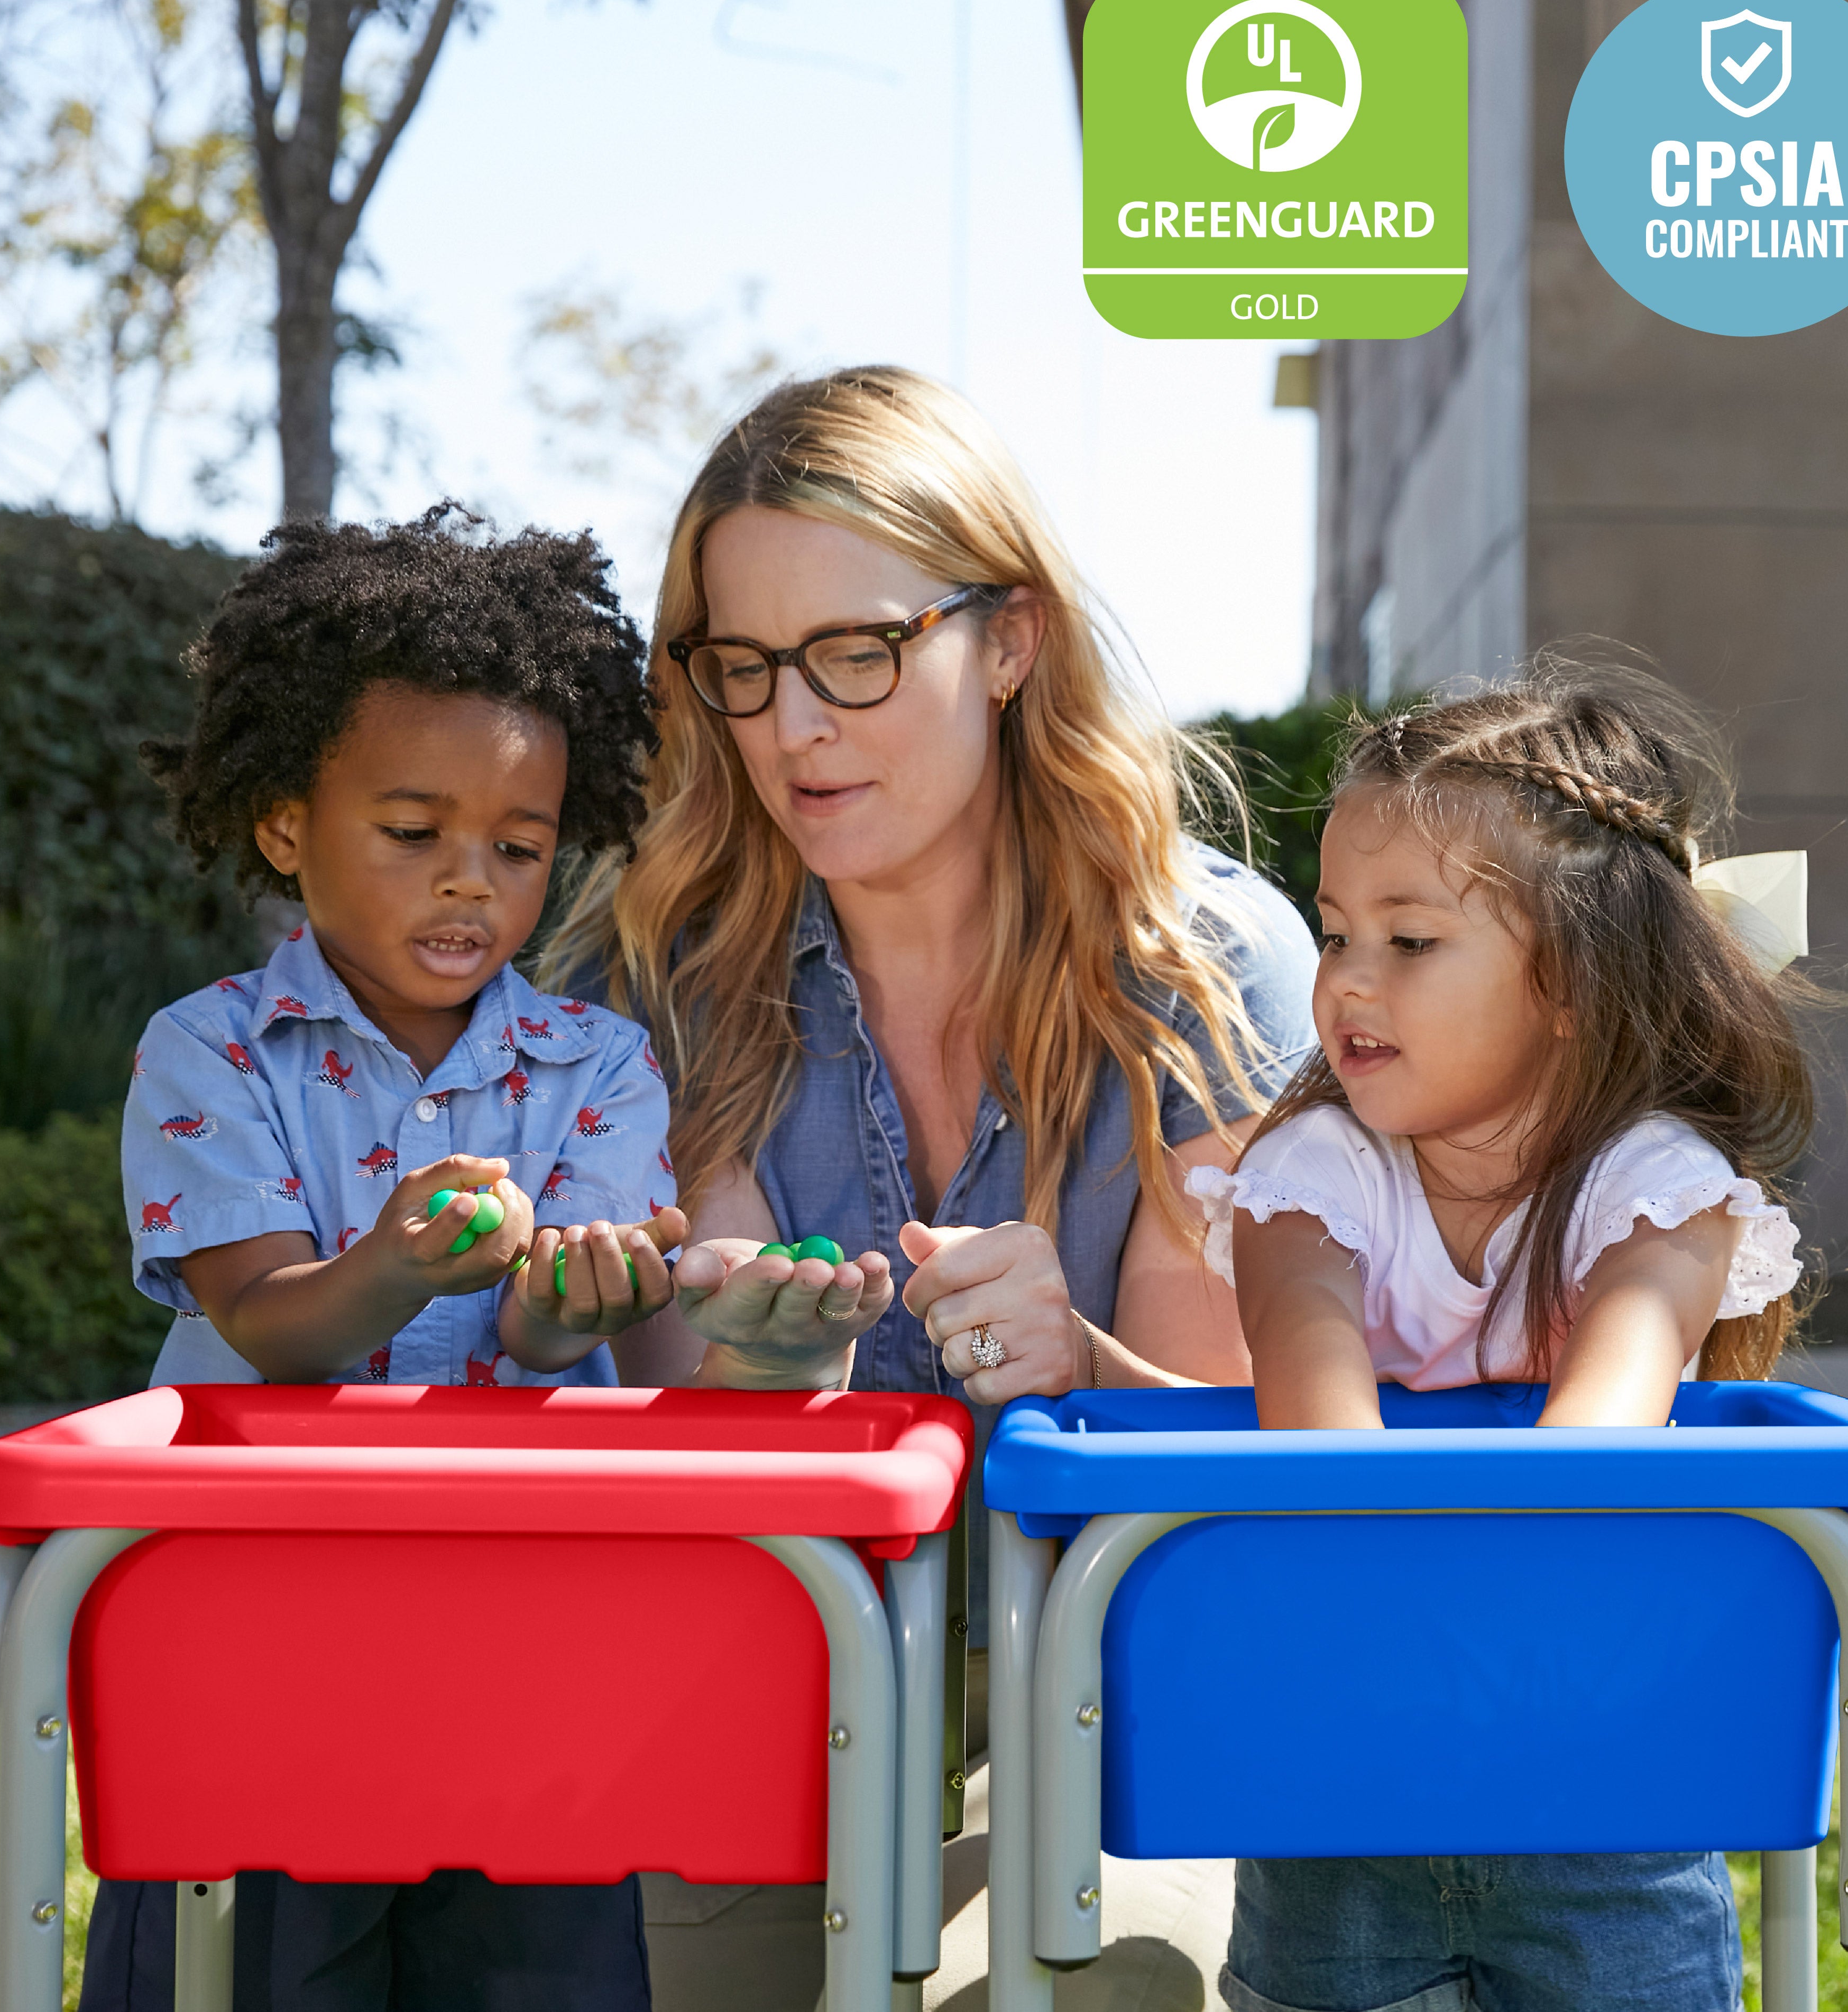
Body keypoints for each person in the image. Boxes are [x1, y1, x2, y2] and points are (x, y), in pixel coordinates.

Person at [539, 364, 1320, 2005]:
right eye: (742, 670)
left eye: (858, 653)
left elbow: (1226, 1450)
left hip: (1113, 1665)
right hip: (771, 1670)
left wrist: (1081, 1365)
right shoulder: (667, 973)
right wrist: (755, 1367)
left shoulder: (1203, 958)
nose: (794, 728)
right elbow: (706, 1485)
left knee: (1111, 1990)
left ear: (1011, 640)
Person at [85, 506, 678, 2012]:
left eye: (520, 846)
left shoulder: (597, 1065)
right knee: (258, 1973)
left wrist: (576, 1295)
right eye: (414, 834)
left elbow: (552, 1342)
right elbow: (270, 1323)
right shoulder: (211, 1052)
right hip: (262, 1644)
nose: (470, 880)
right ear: (290, 826)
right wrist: (402, 1262)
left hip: (529, 1650)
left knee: (534, 1977)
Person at [1193, 659, 1813, 2012]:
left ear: (1575, 984)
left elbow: (1595, 1440)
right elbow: (1320, 1435)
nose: (1346, 979)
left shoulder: (1655, 1186)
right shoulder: (1307, 1174)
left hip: (1605, 1794)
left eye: (1407, 941)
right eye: (1334, 931)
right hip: (1336, 1800)